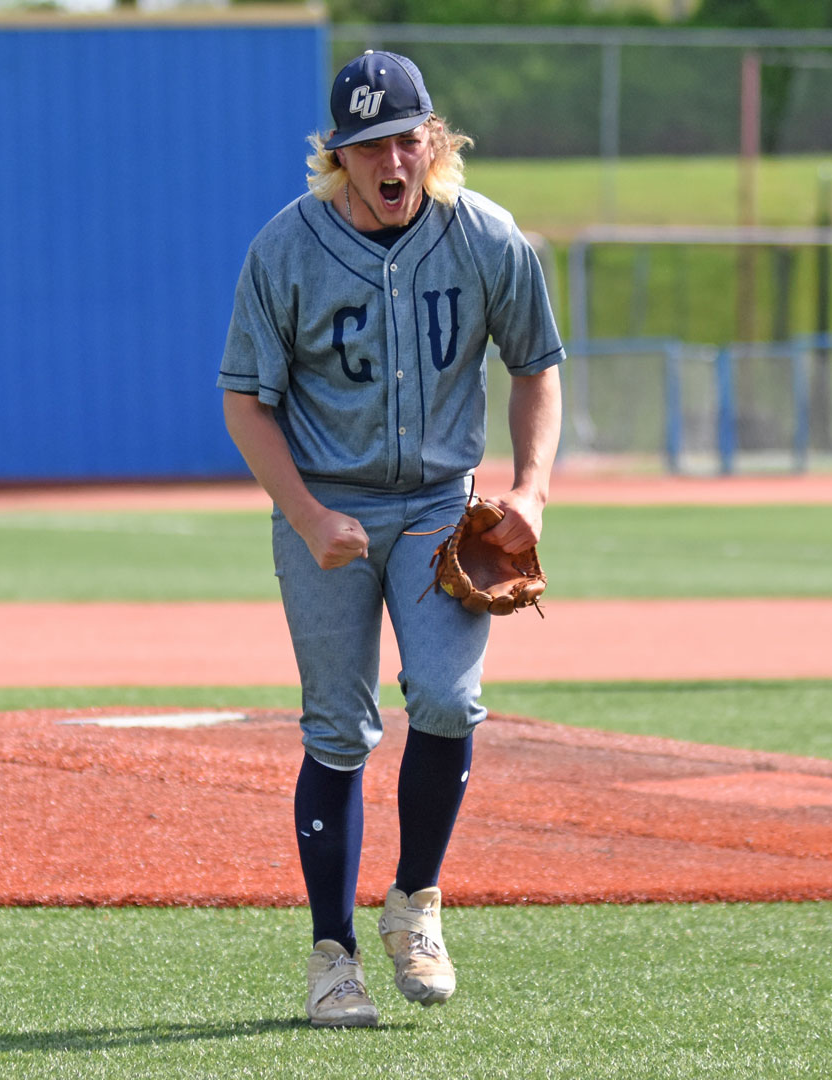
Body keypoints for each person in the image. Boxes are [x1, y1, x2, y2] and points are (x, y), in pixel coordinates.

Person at [217, 50, 564, 1028]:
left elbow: (536, 365)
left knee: (449, 701)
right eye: (368, 145)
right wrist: (307, 512)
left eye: (407, 138)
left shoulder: (484, 234)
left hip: (435, 509)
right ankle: (334, 956)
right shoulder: (285, 249)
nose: (391, 159)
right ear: (338, 158)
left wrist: (532, 490)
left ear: (436, 143)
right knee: (338, 728)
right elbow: (246, 403)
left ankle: (414, 901)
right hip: (325, 506)